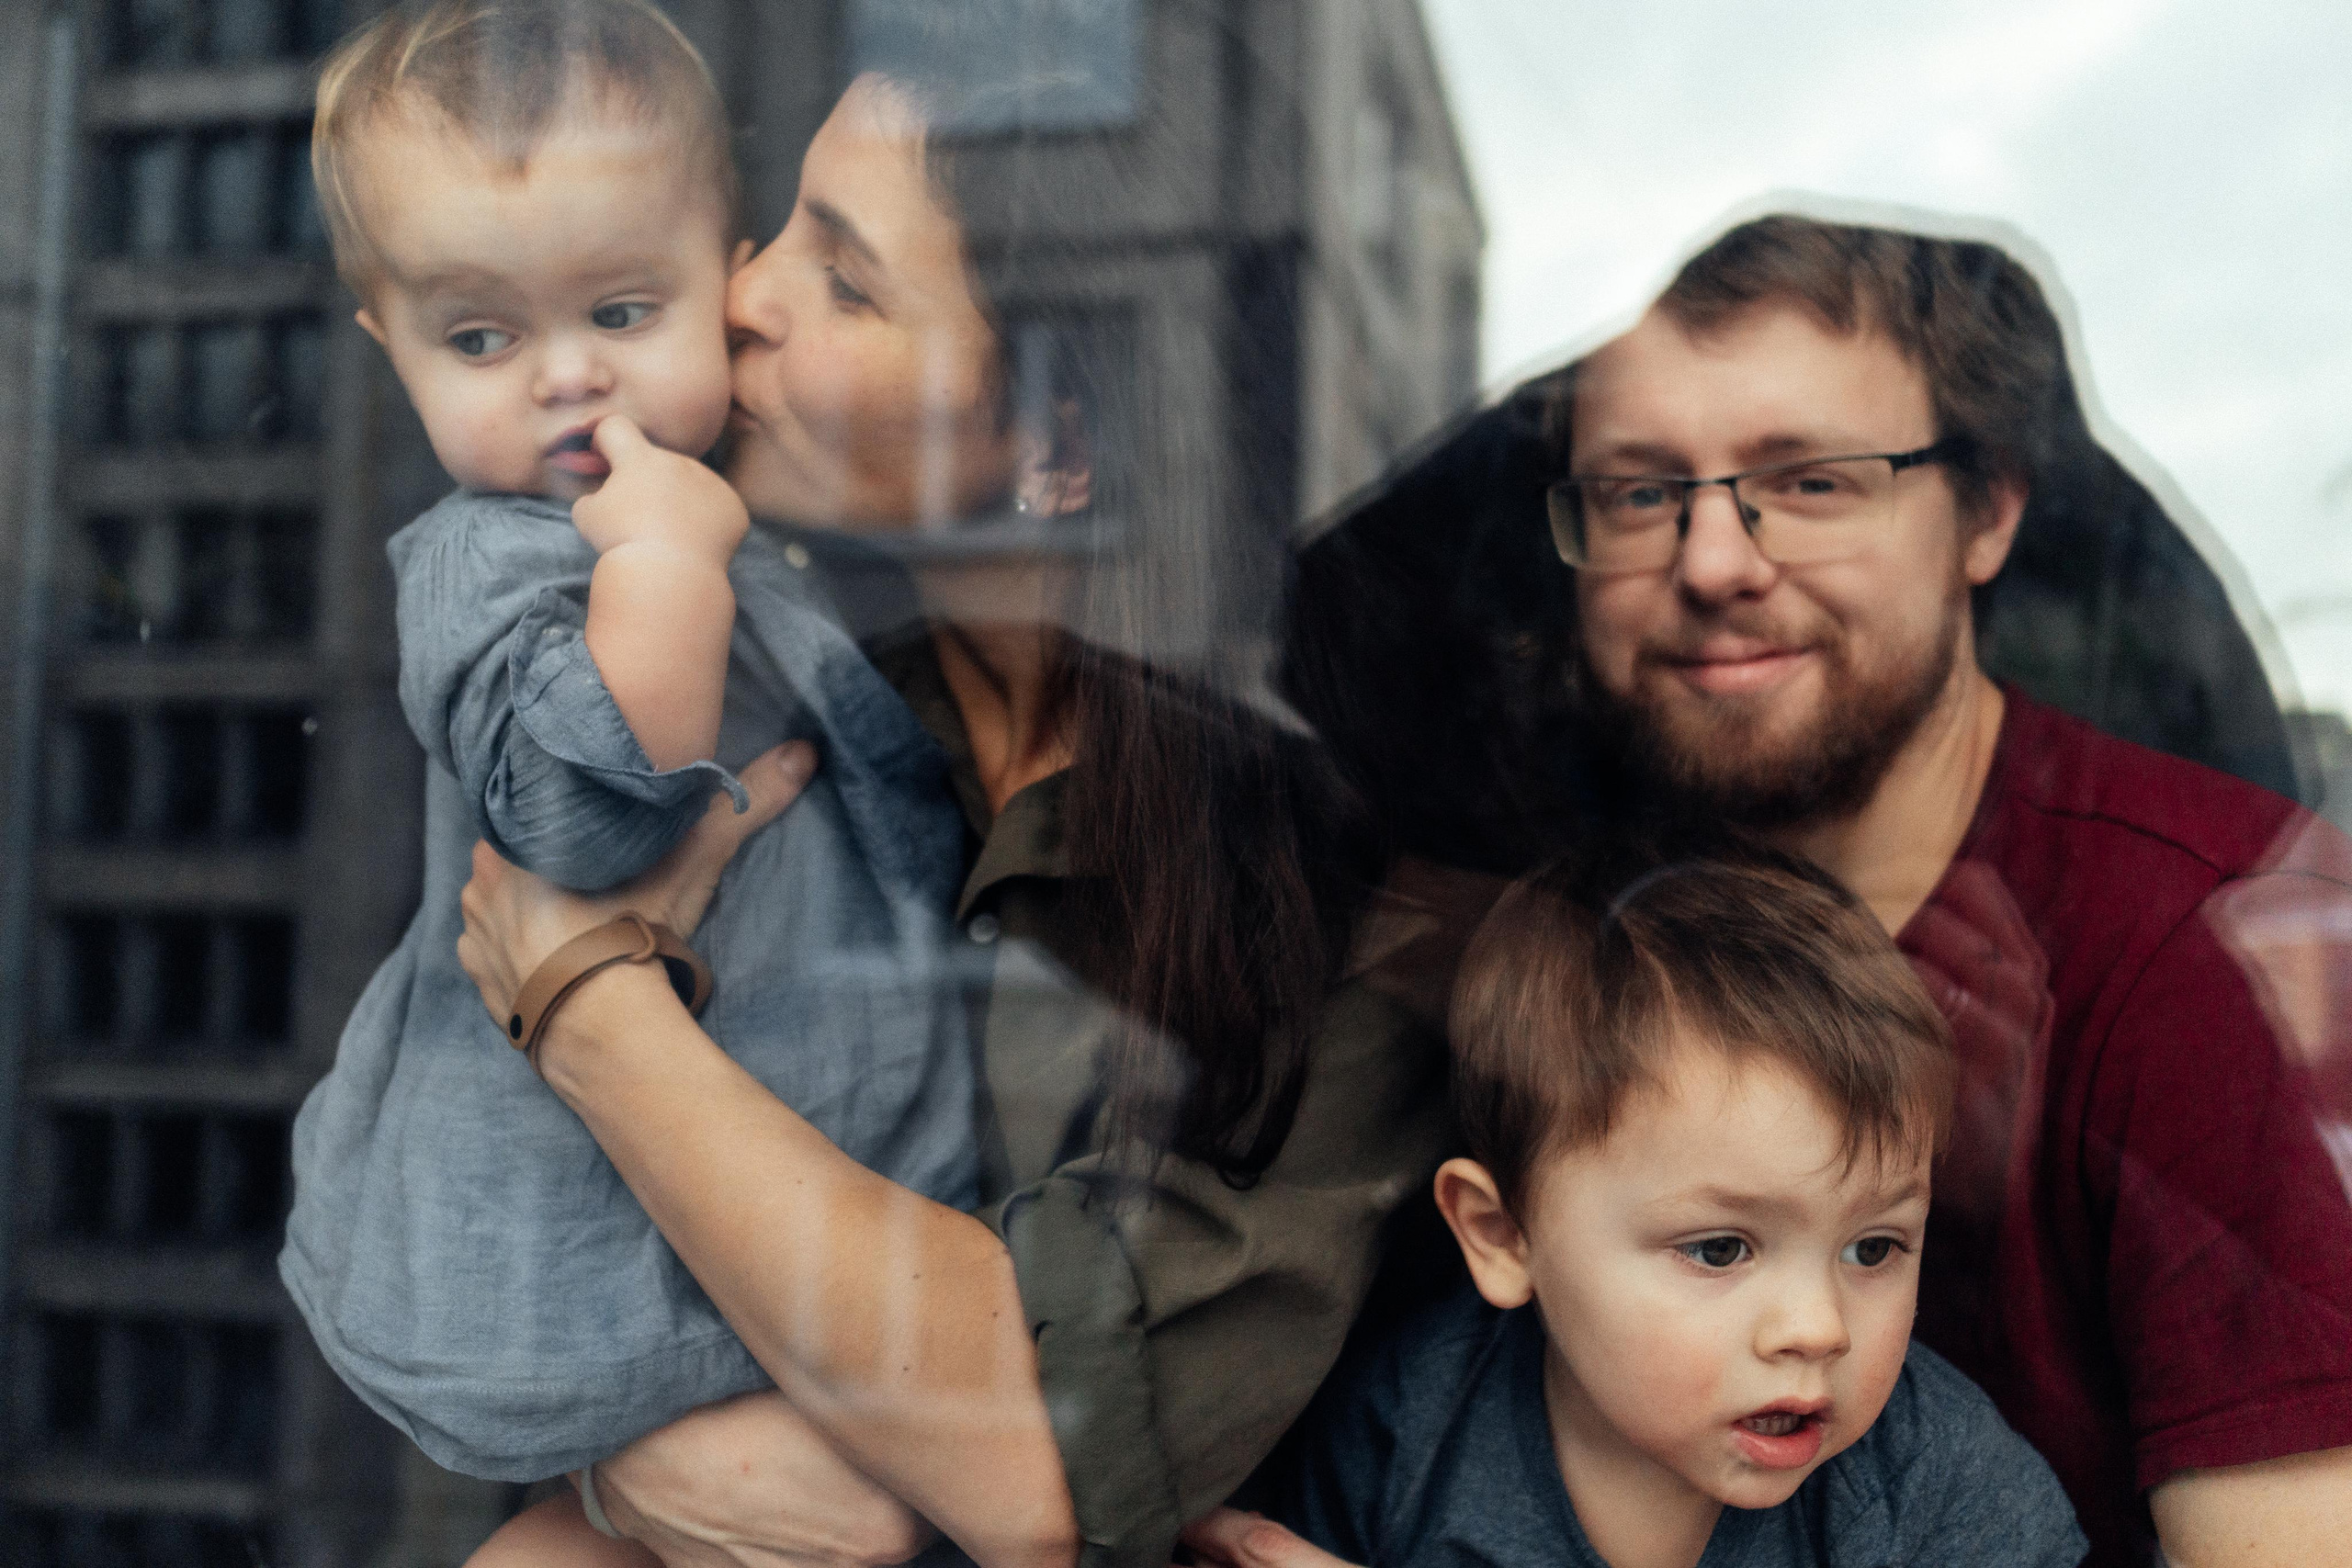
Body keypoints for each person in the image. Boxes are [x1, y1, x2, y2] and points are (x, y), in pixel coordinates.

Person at [446, 8, 1457, 1566]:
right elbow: (499, 1258)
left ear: (1055, 441)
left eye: (844, 276)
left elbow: (1048, 1456)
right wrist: (620, 1462)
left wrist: (591, 1004)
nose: (742, 294)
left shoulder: (1324, 890)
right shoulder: (708, 701)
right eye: (779, 228)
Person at [1237, 213, 2352, 1568]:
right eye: (1642, 494)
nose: (1713, 561)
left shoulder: (2205, 942)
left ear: (1988, 510)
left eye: (1813, 479)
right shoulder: (1564, 927)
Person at [277, 0, 978, 1483]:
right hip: (594, 1268)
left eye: (620, 313)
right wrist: (663, 564)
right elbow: (589, 818)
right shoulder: (498, 564)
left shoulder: (760, 530)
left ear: (719, 285)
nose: (565, 376)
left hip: (790, 1238)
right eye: (480, 335)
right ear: (389, 346)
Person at [1272, 839, 2085, 1568]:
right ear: (1504, 1235)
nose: (1818, 1328)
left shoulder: (1938, 1485)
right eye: (1719, 1248)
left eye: (1873, 1247)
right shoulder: (1408, 1426)